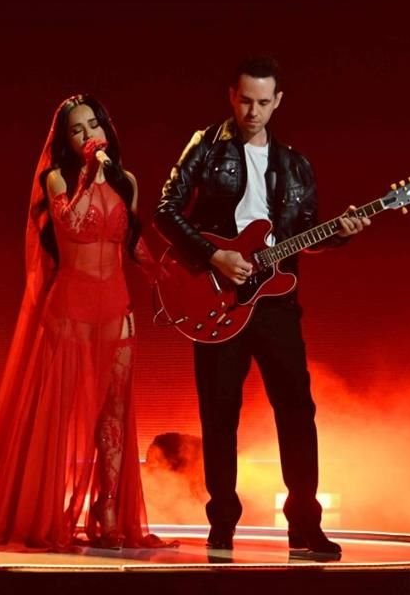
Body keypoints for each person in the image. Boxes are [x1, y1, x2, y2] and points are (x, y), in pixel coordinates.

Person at [0, 95, 168, 551]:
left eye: (94, 126)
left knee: (114, 418)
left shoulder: (126, 181)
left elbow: (130, 241)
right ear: (66, 140)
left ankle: (107, 513)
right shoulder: (57, 180)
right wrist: (87, 178)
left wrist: (165, 274)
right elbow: (70, 225)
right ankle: (43, 515)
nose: (88, 136)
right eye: (78, 130)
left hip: (117, 308)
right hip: (69, 309)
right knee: (57, 418)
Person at [153, 56, 369, 557]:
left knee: (297, 412)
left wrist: (340, 233)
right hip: (218, 295)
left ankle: (304, 526)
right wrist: (215, 255)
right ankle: (222, 522)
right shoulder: (205, 148)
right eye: (245, 100)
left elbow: (303, 236)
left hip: (275, 302)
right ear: (232, 95)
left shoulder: (295, 164)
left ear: (278, 102)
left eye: (263, 102)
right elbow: (166, 211)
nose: (253, 110)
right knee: (220, 413)